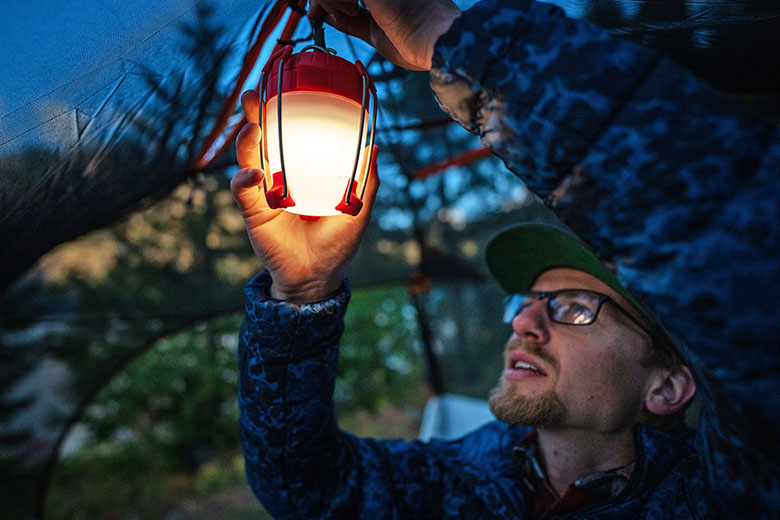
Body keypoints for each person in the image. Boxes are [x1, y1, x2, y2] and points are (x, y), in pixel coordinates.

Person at [233, 0, 780, 517]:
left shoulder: (715, 498)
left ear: (668, 386)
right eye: (529, 301)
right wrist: (302, 297)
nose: (522, 321)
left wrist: (450, 37)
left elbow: (746, 271)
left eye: (574, 308)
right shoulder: (462, 481)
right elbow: (307, 491)